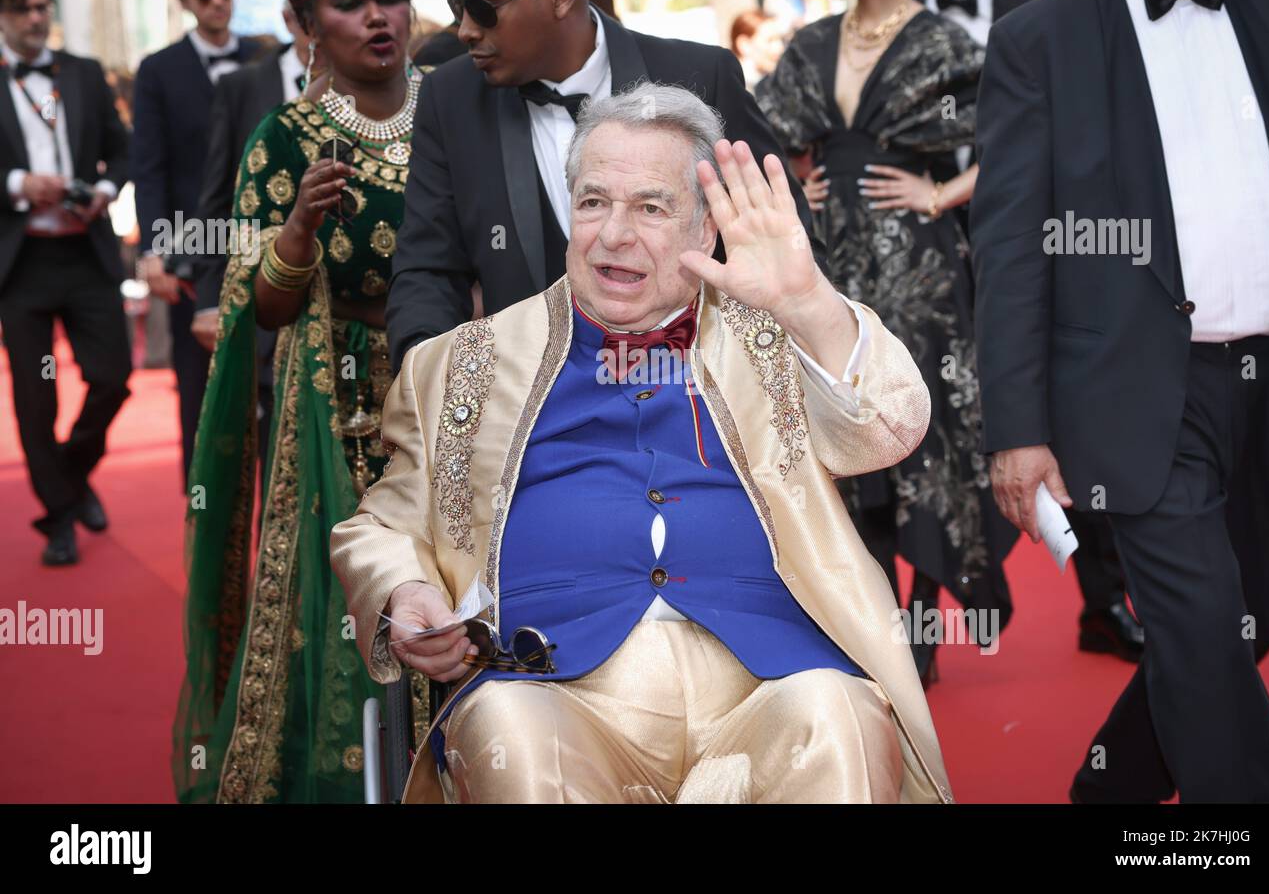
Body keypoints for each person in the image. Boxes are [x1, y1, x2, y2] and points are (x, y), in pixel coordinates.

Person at [332, 82, 953, 804]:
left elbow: (892, 427)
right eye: (594, 202)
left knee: (841, 715)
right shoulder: (463, 363)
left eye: (651, 208)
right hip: (557, 689)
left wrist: (806, 300)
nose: (614, 234)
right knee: (508, 728)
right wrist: (407, 592)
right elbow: (382, 524)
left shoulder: (774, 334)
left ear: (705, 231)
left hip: (772, 682)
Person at [972, 0, 1269, 802]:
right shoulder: (1041, 38)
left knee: (1247, 618)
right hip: (1138, 389)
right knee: (1199, 628)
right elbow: (1009, 246)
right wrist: (1017, 428)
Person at [172, 0, 421, 804]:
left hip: (464, 390)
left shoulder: (461, 105)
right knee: (365, 605)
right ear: (307, 23)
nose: (378, 19)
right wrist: (298, 233)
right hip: (348, 405)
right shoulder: (284, 140)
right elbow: (259, 311)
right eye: (352, 4)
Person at [758, 0, 1013, 685]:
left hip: (921, 273)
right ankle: (874, 618)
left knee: (922, 434)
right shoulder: (810, 43)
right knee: (846, 424)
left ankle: (922, 621)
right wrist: (797, 182)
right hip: (830, 267)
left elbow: (1016, 136)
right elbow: (759, 129)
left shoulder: (941, 41)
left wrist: (939, 193)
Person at [386, 0, 816, 370]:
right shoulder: (450, 97)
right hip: (527, 408)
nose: (465, 30)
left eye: (482, 8)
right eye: (457, 8)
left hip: (692, 390)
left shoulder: (701, 76)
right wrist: (423, 383)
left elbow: (782, 240)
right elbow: (428, 268)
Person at [919, 0, 1143, 663]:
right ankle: (919, 621)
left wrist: (957, 187)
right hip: (922, 259)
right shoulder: (882, 20)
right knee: (923, 429)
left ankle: (1104, 601)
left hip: (1045, 250)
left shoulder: (1045, 19)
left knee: (1083, 421)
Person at [0, 0, 130, 566]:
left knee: (112, 376)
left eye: (43, 6)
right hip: (21, 260)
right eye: (24, 8)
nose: (37, 17)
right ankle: (59, 515)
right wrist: (18, 183)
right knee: (37, 394)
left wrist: (104, 189)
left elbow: (120, 147)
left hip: (85, 250)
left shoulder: (80, 72)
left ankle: (70, 479)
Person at [131, 0, 263, 486]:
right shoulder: (159, 70)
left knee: (273, 379)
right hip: (196, 249)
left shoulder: (265, 55)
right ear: (183, 0)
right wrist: (154, 251)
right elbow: (150, 166)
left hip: (269, 238)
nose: (218, 2)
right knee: (199, 390)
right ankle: (204, 510)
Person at [190, 0, 325, 474]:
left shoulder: (395, 92)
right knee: (281, 473)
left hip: (354, 324)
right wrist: (210, 301)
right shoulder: (241, 87)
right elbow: (213, 205)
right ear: (291, 17)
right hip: (264, 317)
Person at [729, 10, 786, 91]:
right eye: (770, 40)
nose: (780, 47)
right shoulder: (732, 90)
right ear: (745, 45)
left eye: (781, 39)